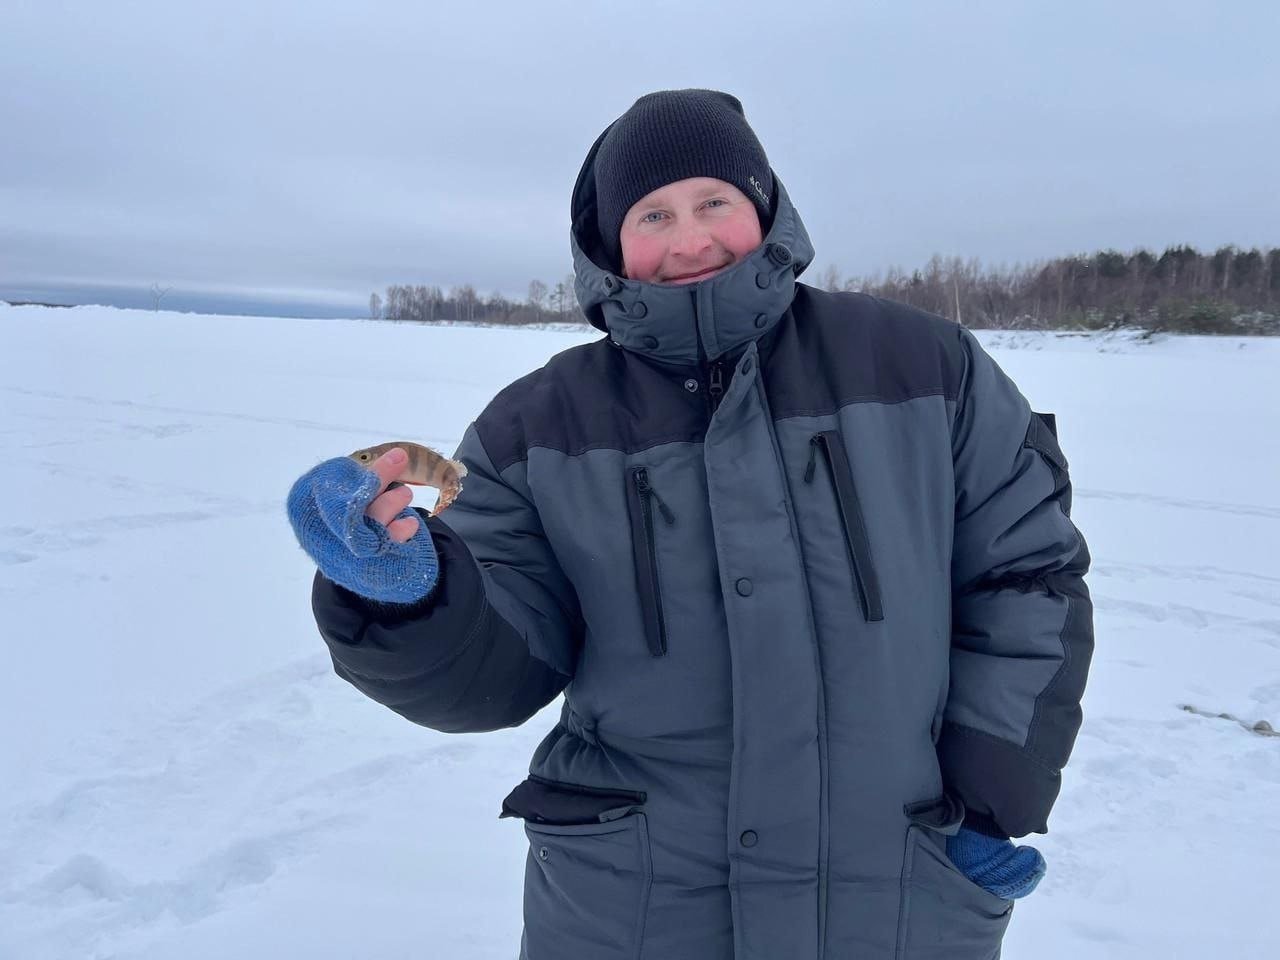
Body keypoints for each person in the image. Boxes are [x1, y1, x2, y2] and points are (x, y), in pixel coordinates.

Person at [287, 88, 1094, 960]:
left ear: (764, 207)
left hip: (895, 887)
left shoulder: (927, 366)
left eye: (715, 202)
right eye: (653, 214)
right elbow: (496, 672)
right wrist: (412, 598)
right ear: (609, 243)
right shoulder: (534, 427)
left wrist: (987, 799)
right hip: (632, 907)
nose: (690, 240)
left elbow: (1029, 577)